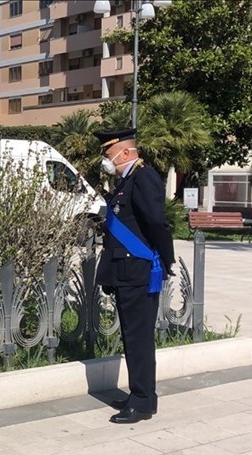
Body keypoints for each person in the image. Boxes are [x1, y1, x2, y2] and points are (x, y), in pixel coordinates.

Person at [93, 128, 175, 424]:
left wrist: (166, 260)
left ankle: (143, 403)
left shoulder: (144, 177)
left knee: (139, 340)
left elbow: (156, 222)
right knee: (131, 337)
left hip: (139, 271)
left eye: (108, 153)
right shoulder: (126, 180)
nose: (106, 159)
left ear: (125, 153)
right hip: (126, 272)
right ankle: (138, 392)